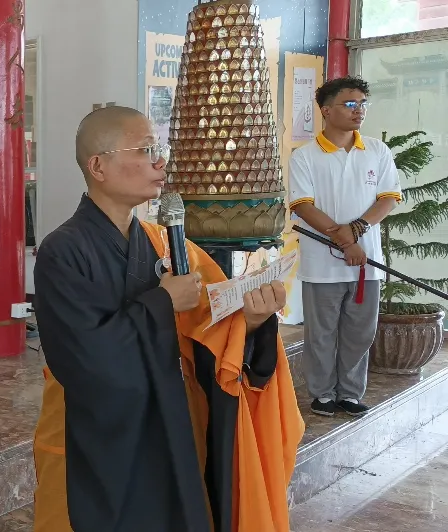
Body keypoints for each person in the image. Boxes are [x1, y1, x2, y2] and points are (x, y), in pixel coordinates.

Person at [31, 106, 304, 531]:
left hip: (174, 419)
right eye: (145, 150)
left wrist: (251, 320)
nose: (161, 162)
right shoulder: (62, 250)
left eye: (160, 149)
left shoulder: (166, 243)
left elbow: (209, 330)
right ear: (98, 166)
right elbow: (83, 360)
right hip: (97, 433)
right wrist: (160, 304)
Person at [288, 76, 402, 417]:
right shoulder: (305, 156)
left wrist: (356, 231)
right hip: (322, 264)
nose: (359, 110)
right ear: (326, 110)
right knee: (321, 333)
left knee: (359, 331)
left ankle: (350, 393)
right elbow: (302, 206)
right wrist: (344, 239)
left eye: (363, 104)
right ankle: (322, 393)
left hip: (366, 260)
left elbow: (388, 198)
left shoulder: (377, 150)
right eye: (350, 104)